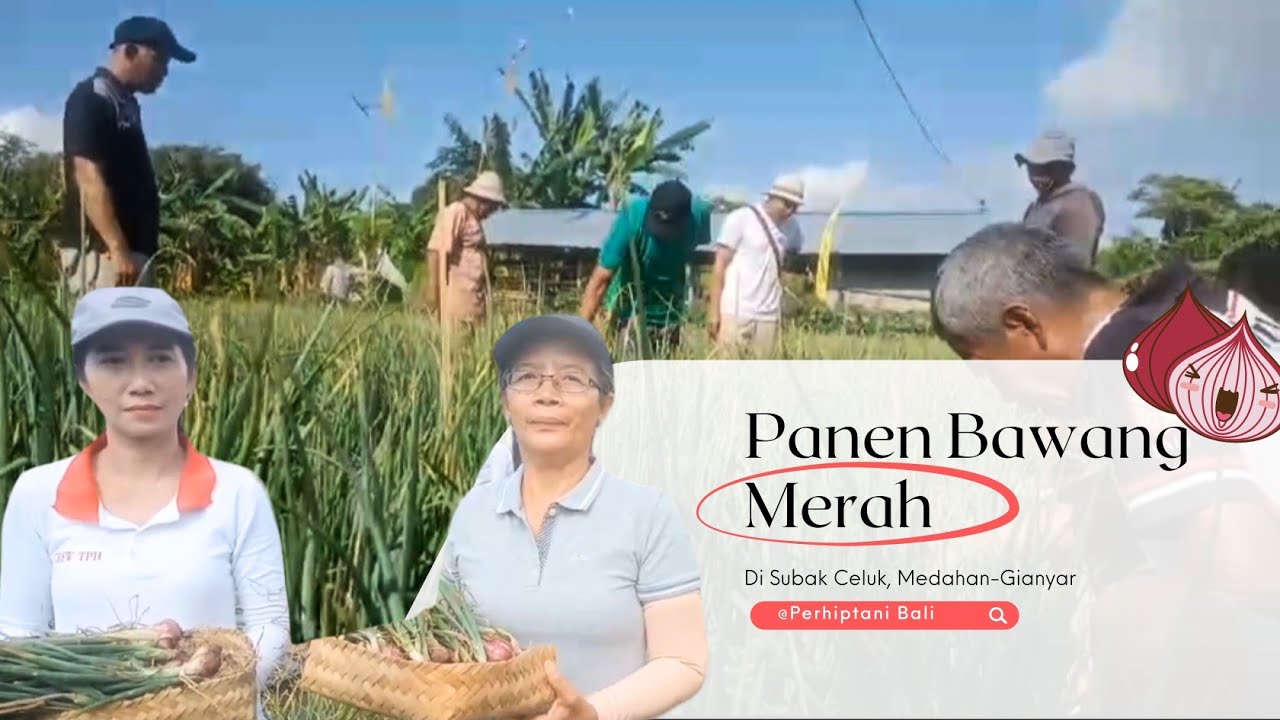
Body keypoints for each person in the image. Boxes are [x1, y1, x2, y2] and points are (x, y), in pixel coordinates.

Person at [930, 223, 1280, 712]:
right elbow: (1091, 516)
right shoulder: (1201, 308)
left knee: (1134, 616)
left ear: (1024, 325)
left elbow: (1252, 576)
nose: (1004, 395)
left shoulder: (1127, 361)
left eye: (986, 370)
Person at [0, 287, 290, 717]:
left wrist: (194, 695)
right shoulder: (37, 493)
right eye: (114, 361)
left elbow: (270, 628)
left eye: (159, 358)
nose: (140, 383)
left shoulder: (239, 492)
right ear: (83, 377)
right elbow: (16, 639)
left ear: (190, 375)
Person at [432, 313, 707, 720]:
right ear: (506, 401)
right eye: (526, 377)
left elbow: (684, 662)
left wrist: (594, 712)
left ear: (605, 405)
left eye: (572, 379)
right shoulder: (474, 511)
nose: (547, 394)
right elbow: (446, 639)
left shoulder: (648, 514)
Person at [59, 16, 196, 293]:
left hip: (128, 257)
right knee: (107, 336)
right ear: (130, 51)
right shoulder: (92, 97)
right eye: (160, 60)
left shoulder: (125, 104)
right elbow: (88, 176)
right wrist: (118, 248)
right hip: (104, 255)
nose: (165, 72)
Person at [579, 180, 713, 354]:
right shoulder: (633, 217)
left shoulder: (700, 216)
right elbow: (601, 279)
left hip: (671, 318)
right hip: (630, 318)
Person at [707, 175, 806, 353]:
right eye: (787, 204)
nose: (791, 211)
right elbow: (720, 264)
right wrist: (714, 311)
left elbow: (794, 255)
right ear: (772, 198)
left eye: (795, 207)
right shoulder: (741, 219)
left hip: (769, 316)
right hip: (736, 311)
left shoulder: (793, 228)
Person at [426, 171, 507, 327]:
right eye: (492, 208)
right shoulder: (457, 212)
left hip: (473, 307)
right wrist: (434, 296)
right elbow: (436, 252)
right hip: (457, 307)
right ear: (484, 200)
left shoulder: (474, 220)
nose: (491, 213)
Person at [1015, 130, 1106, 269]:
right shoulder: (1035, 208)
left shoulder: (1077, 203)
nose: (1037, 175)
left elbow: (1075, 265)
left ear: (1068, 169)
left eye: (1047, 168)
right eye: (1033, 168)